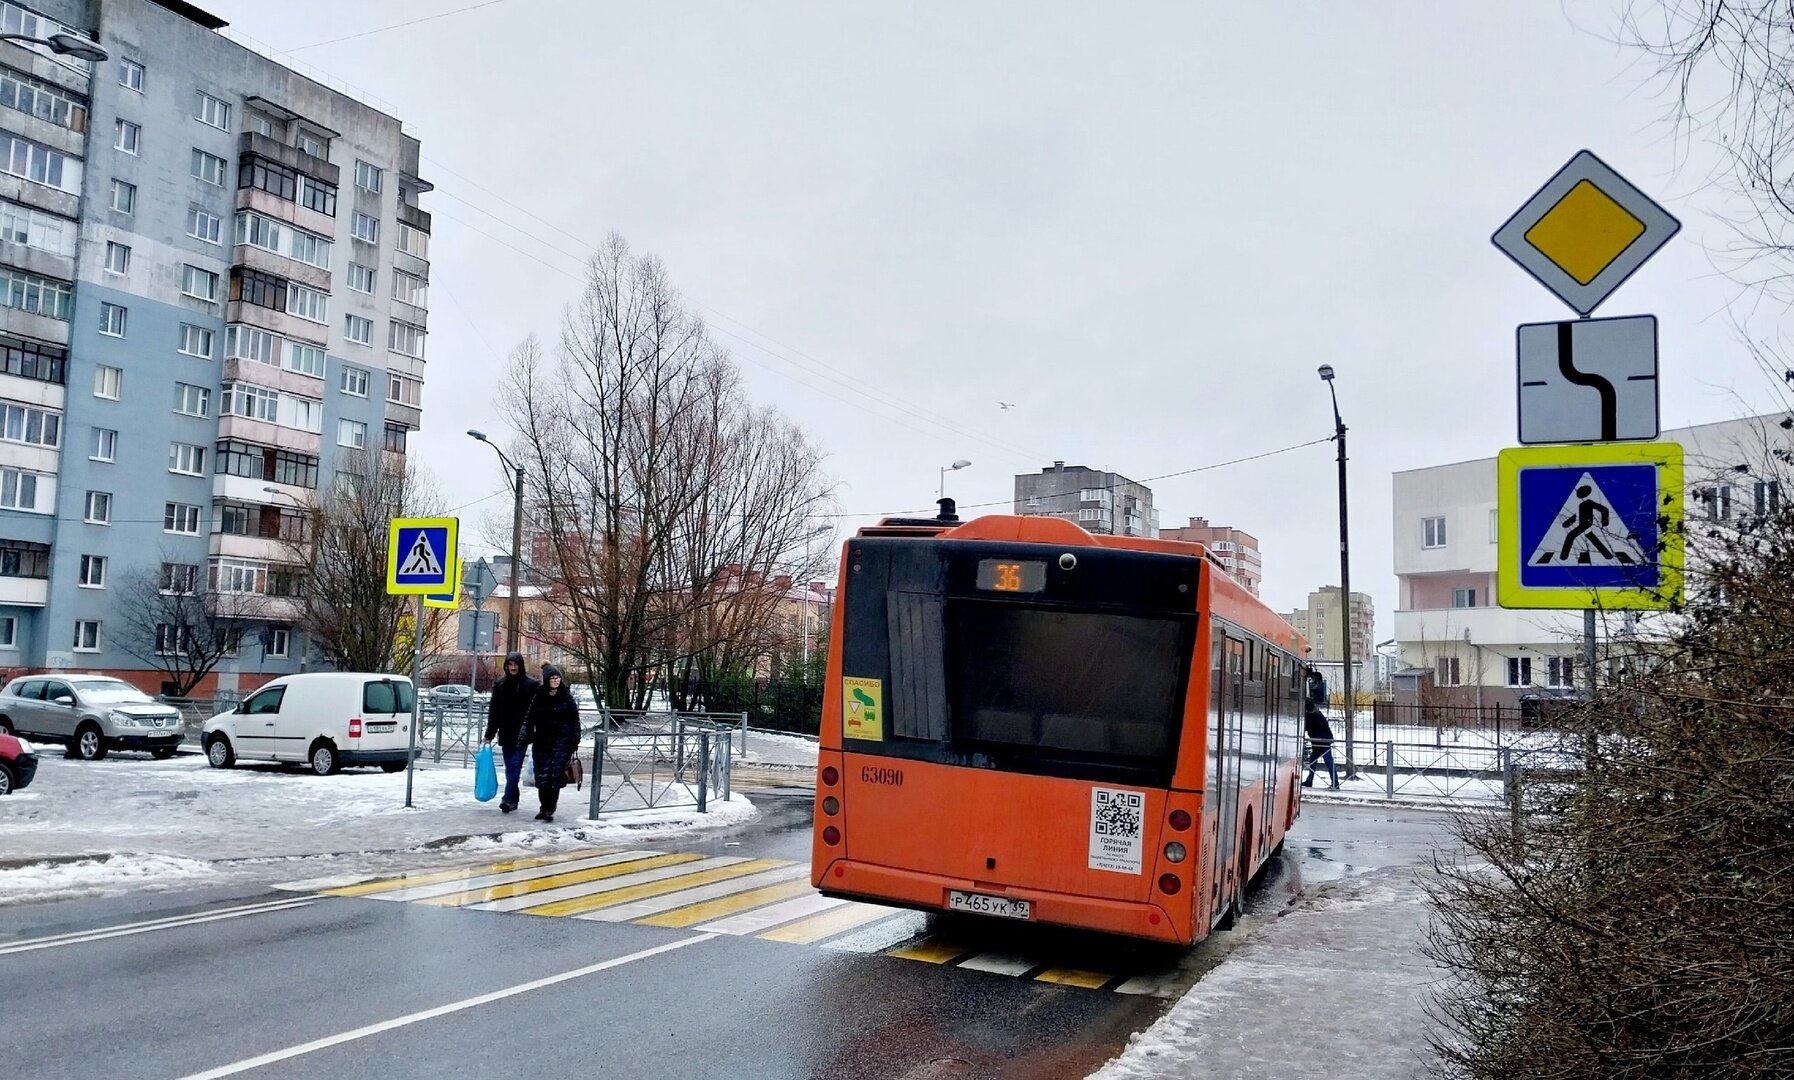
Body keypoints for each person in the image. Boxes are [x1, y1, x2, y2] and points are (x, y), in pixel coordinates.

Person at [524, 663, 581, 822]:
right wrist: (526, 735)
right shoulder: (539, 696)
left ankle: (550, 808)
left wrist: (575, 739)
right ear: (547, 680)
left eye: (558, 678)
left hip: (562, 741)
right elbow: (530, 718)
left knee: (555, 776)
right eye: (553, 678)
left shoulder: (566, 696)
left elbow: (574, 719)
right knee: (542, 777)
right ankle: (543, 807)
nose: (556, 681)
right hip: (542, 742)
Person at [482, 651, 538, 814]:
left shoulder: (531, 685)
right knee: (509, 769)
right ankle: (513, 798)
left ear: (520, 666)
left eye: (516, 664)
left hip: (522, 734)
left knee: (515, 767)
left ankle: (507, 799)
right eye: (510, 665)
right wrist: (489, 734)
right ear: (506, 666)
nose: (513, 668)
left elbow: (536, 711)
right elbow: (494, 712)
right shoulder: (500, 685)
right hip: (505, 734)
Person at [1303, 701, 1339, 789]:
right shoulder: (1317, 713)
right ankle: (1310, 780)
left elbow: (1306, 726)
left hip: (1321, 742)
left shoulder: (1312, 716)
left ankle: (1335, 783)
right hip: (1322, 741)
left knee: (1327, 762)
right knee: (1314, 761)